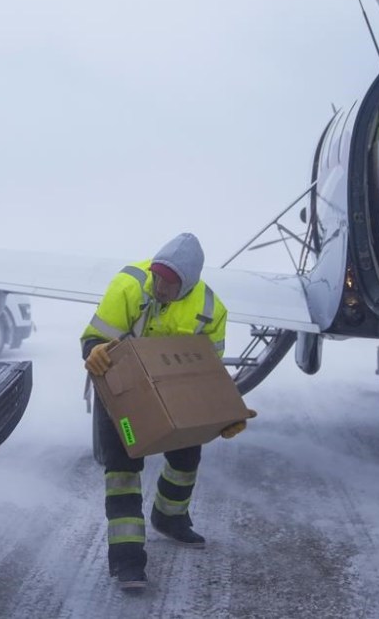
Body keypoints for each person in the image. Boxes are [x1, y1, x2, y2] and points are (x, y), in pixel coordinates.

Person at [81, 232, 255, 593]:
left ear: (187, 285)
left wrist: (223, 413)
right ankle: (128, 561)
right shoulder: (129, 284)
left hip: (175, 391)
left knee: (186, 456)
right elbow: (93, 338)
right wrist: (94, 351)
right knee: (123, 470)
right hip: (121, 391)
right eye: (157, 278)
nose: (160, 288)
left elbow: (207, 374)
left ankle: (170, 517)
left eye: (169, 284)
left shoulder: (210, 308)